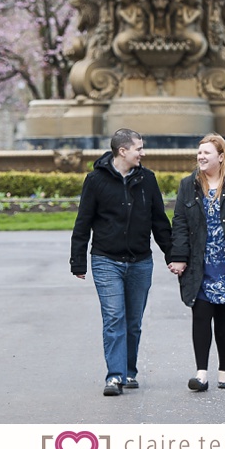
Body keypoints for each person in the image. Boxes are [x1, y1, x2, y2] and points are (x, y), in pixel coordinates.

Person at [70, 128, 173, 396]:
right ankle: (114, 376)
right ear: (122, 151)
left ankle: (129, 371)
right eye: (139, 148)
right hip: (106, 260)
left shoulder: (147, 179)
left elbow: (160, 222)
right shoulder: (95, 180)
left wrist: (174, 256)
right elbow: (83, 222)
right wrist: (78, 261)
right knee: (114, 317)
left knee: (133, 321)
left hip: (140, 261)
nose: (143, 153)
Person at [167, 133, 225, 392]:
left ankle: (224, 372)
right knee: (200, 315)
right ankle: (201, 374)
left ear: (221, 157)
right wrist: (178, 256)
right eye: (199, 153)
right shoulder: (189, 185)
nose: (201, 157)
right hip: (200, 264)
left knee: (224, 318)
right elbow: (180, 223)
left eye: (206, 153)